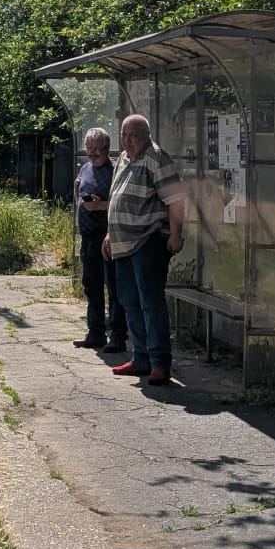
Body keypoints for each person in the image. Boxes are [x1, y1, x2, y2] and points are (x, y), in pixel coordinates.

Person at [103, 112, 185, 386]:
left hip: (148, 240)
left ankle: (159, 362)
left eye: (134, 136)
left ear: (146, 136)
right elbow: (115, 197)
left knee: (150, 302)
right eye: (124, 136)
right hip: (122, 243)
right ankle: (141, 358)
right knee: (129, 301)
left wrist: (176, 234)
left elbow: (175, 200)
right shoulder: (123, 159)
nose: (128, 141)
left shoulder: (157, 158)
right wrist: (109, 234)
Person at [72, 127, 128, 352]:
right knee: (91, 286)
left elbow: (121, 202)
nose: (93, 153)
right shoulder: (85, 168)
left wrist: (101, 205)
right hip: (88, 237)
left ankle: (118, 336)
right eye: (89, 148)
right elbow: (78, 186)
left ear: (107, 148)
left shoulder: (115, 171)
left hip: (108, 237)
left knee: (114, 288)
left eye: (97, 149)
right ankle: (95, 333)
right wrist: (82, 201)